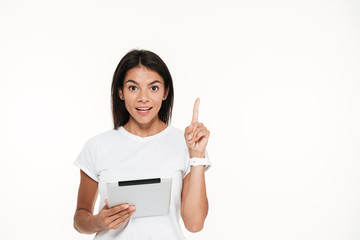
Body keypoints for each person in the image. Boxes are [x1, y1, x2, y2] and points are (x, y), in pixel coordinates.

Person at [73, 49, 211, 240]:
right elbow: (80, 218)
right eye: (133, 88)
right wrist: (100, 221)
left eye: (153, 88)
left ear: (166, 92)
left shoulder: (187, 143)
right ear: (120, 92)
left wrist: (197, 155)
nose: (143, 98)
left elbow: (194, 224)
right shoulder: (97, 146)